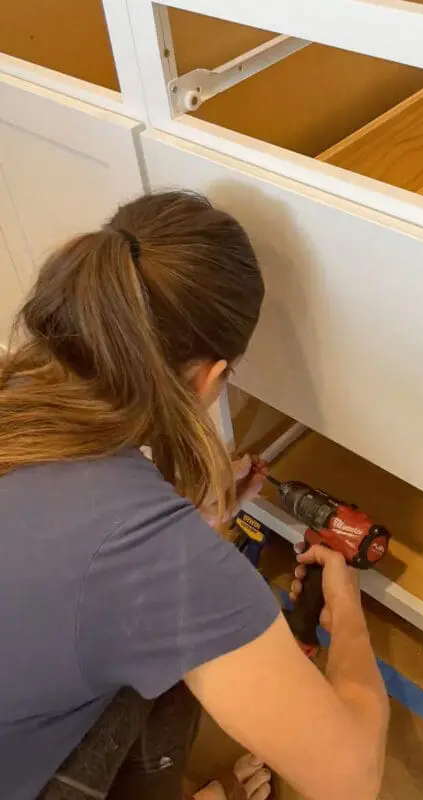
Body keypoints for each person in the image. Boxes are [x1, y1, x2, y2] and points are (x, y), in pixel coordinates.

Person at [0, 191, 389, 800]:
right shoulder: (150, 557)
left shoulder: (15, 390)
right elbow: (354, 779)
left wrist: (185, 524)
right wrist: (351, 621)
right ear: (212, 375)